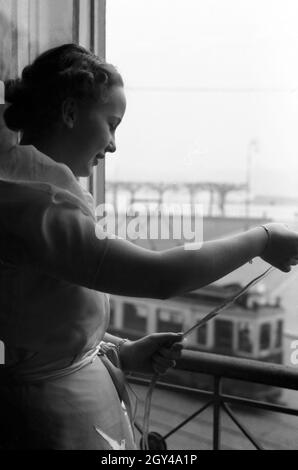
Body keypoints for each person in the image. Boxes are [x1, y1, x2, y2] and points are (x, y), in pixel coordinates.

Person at [0, 43, 298, 450]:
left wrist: (122, 354)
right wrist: (264, 238)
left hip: (68, 411)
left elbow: (40, 328)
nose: (114, 145)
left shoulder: (36, 198)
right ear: (69, 113)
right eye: (111, 123)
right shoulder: (37, 208)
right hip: (55, 425)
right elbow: (161, 276)